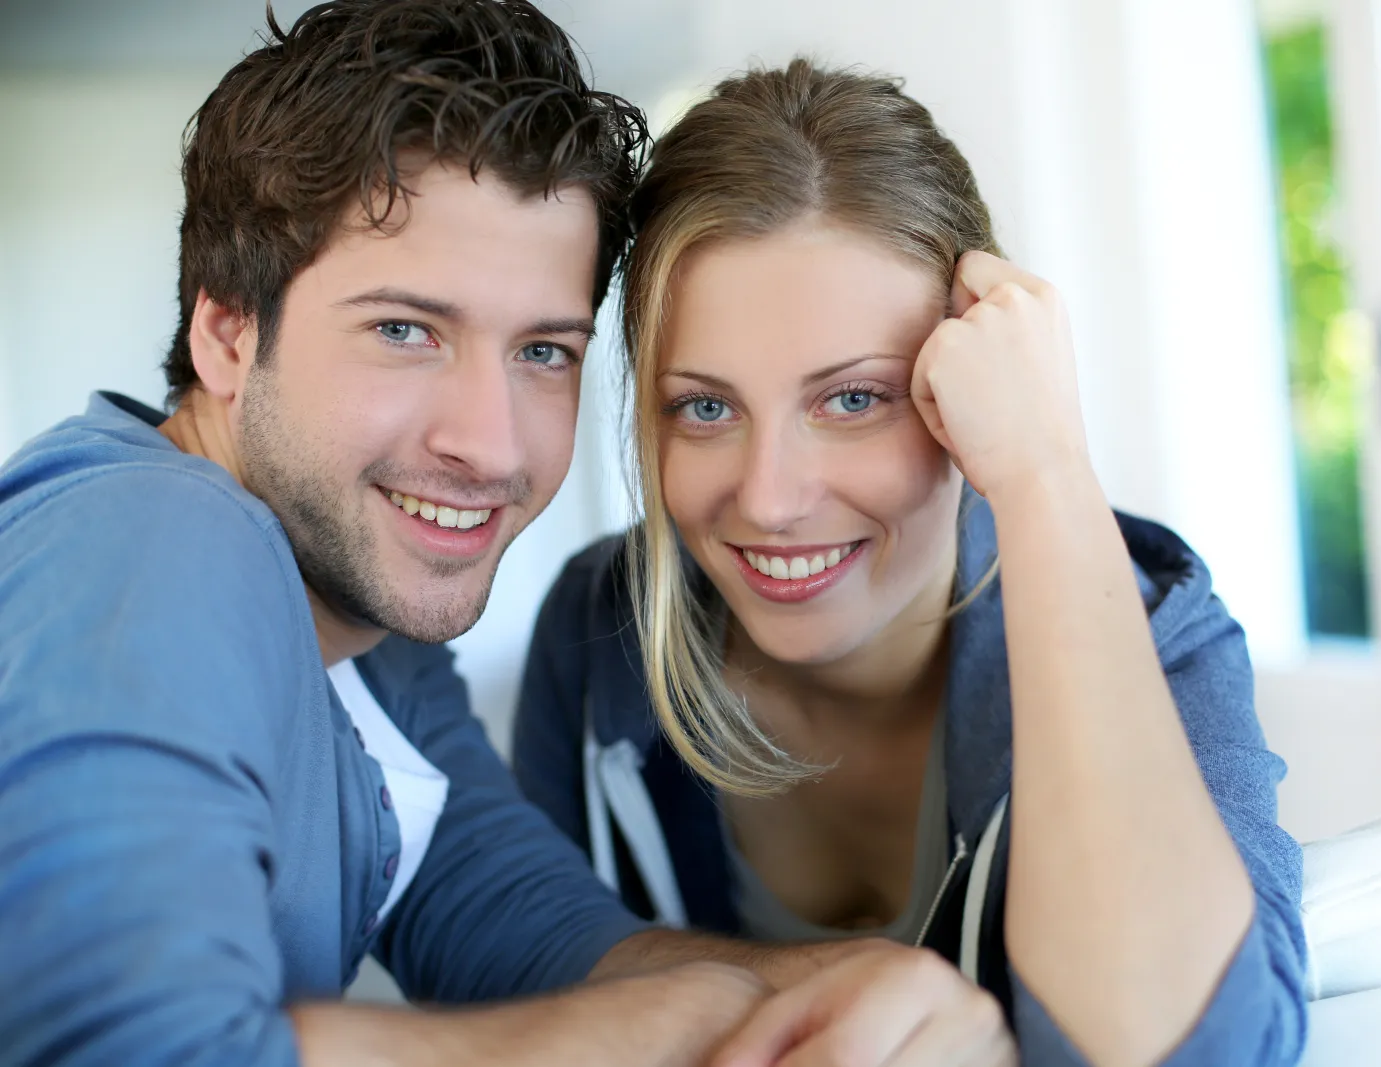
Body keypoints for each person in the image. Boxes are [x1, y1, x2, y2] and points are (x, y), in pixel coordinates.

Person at [0, 8, 1014, 1066]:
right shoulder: (157, 537)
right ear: (227, 333)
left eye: (542, 349)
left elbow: (542, 940)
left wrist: (896, 992)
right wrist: (653, 1028)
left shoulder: (365, 643)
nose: (487, 444)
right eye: (404, 331)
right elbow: (119, 1046)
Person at [514, 59, 1310, 1067]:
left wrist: (1043, 466)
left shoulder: (1153, 631)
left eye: (853, 399)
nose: (767, 497)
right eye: (704, 407)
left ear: (968, 381)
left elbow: (1197, 1050)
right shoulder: (600, 633)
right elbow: (524, 987)